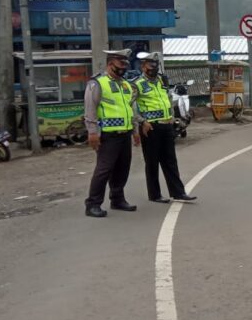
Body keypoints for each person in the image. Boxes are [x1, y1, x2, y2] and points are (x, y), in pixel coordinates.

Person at [132, 52, 197, 204]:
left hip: (166, 125)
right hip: (151, 127)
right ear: (143, 66)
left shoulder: (162, 81)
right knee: (152, 162)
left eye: (155, 65)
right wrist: (141, 121)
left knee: (170, 161)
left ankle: (178, 192)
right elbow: (130, 106)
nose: (153, 68)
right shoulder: (137, 84)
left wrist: (173, 118)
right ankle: (155, 194)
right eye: (150, 65)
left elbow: (167, 100)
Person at [84, 49, 139, 218]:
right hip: (107, 135)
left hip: (125, 134)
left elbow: (131, 108)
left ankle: (117, 199)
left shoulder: (125, 84)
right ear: (110, 64)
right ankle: (93, 204)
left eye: (125, 64)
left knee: (123, 168)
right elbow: (90, 109)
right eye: (120, 64)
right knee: (104, 169)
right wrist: (92, 132)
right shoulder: (98, 83)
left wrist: (135, 130)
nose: (123, 67)